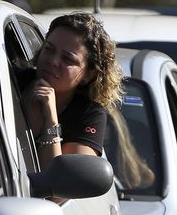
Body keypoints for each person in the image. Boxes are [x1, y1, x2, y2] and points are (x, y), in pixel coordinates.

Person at [26, 12, 122, 170]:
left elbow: (58, 189)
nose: (53, 61)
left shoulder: (89, 114)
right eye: (49, 49)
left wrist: (50, 119)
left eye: (68, 59)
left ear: (88, 74)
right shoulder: (7, 80)